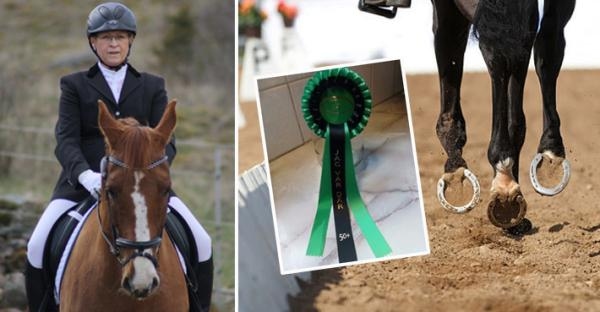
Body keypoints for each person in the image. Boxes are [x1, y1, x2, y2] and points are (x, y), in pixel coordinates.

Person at [25, 3, 213, 311]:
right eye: (106, 37)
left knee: (202, 241)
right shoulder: (73, 85)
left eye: (120, 37)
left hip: (144, 187)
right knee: (36, 245)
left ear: (130, 41)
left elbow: (169, 141)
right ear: (93, 43)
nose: (113, 44)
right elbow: (65, 140)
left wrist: (147, 174)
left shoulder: (152, 85)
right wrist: (85, 175)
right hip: (81, 185)